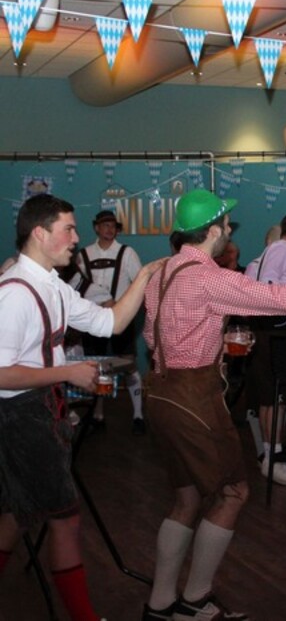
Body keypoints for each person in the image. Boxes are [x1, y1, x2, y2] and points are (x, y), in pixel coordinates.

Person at [140, 190, 286, 621]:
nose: (229, 231)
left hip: (160, 393)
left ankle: (159, 605)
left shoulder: (162, 273)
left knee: (187, 499)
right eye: (226, 225)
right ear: (211, 231)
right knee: (233, 492)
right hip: (194, 398)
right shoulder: (208, 276)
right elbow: (276, 298)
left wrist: (207, 344)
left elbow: (150, 335)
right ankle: (196, 599)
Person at [0, 194, 165, 621]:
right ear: (40, 233)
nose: (76, 238)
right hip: (18, 419)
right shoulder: (15, 292)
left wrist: (145, 275)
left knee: (17, 514)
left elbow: (110, 322)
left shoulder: (52, 284)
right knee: (64, 519)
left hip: (41, 411)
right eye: (68, 229)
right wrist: (67, 373)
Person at [244, 212, 286, 487]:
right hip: (275, 334)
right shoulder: (282, 249)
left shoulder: (276, 251)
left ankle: (271, 457)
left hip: (269, 332)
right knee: (277, 399)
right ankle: (274, 459)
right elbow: (269, 289)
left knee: (269, 399)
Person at [76, 210, 147, 434]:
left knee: (128, 364)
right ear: (96, 228)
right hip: (92, 321)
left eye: (113, 225)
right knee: (95, 368)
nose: (109, 229)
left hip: (120, 319)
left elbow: (140, 285)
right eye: (104, 225)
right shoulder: (84, 254)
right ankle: (98, 415)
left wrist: (127, 307)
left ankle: (138, 415)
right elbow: (78, 288)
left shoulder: (127, 253)